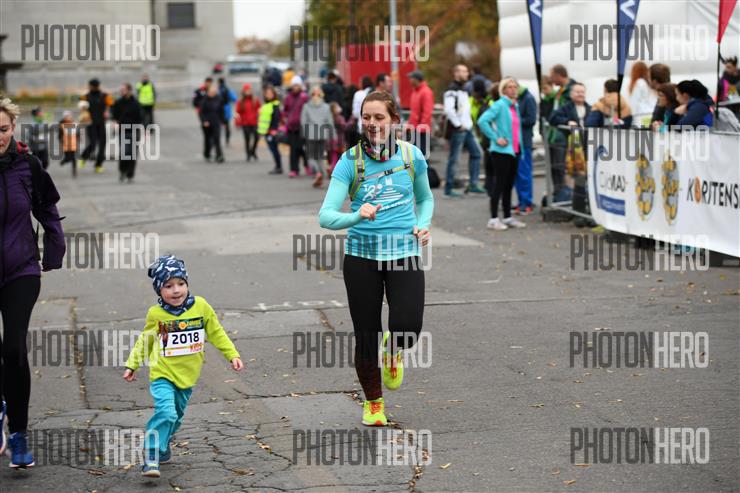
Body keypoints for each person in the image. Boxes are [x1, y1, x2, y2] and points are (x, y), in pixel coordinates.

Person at [318, 90, 433, 427]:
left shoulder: (412, 156)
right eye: (366, 117)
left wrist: (424, 224)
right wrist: (357, 215)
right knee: (366, 334)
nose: (371, 123)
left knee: (408, 327)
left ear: (394, 120)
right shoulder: (350, 162)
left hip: (404, 253)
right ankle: (373, 403)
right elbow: (326, 216)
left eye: (379, 117)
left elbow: (425, 199)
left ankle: (394, 350)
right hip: (362, 258)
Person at [123, 255, 243, 478]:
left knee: (175, 418)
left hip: (187, 377)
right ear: (159, 290)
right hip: (162, 374)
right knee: (166, 412)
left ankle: (163, 445)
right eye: (168, 286)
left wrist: (232, 354)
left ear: (187, 284)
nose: (176, 290)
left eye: (180, 283)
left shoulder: (201, 307)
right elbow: (145, 340)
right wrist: (133, 364)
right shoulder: (156, 314)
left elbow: (216, 332)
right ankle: (150, 455)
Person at [0, 97, 65, 469]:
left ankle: (20, 435)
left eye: (3, 129)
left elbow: (47, 207)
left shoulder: (29, 166)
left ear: (13, 128)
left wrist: (55, 248)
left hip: (21, 269)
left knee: (13, 349)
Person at [477, 78, 526, 231]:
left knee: (509, 185)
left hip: (515, 150)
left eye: (515, 87)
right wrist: (495, 138)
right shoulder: (499, 105)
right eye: (509, 87)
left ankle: (507, 217)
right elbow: (482, 121)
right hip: (501, 151)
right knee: (499, 184)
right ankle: (493, 219)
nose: (513, 89)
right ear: (503, 90)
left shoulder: (514, 106)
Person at [443, 63, 485, 197]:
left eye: (466, 71)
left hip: (467, 128)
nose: (467, 74)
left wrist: (468, 124)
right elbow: (449, 110)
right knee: (454, 158)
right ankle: (449, 188)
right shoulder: (452, 90)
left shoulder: (464, 89)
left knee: (476, 153)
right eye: (464, 71)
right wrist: (458, 125)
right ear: (456, 73)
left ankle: (473, 184)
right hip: (459, 129)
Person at [548, 83, 591, 195]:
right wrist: (567, 122)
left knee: (584, 170)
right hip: (570, 147)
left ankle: (583, 194)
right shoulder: (566, 107)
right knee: (570, 171)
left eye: (582, 92)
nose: (580, 94)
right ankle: (568, 194)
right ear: (571, 94)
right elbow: (552, 118)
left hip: (586, 145)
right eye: (577, 92)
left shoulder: (590, 108)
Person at [301, 86, 334, 188]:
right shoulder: (326, 107)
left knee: (311, 156)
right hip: (322, 134)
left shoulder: (306, 106)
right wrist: (332, 134)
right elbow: (330, 122)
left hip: (311, 134)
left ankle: (317, 173)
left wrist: (305, 133)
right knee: (320, 156)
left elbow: (303, 122)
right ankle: (322, 172)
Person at [111, 83, 145, 182]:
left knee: (133, 154)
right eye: (121, 90)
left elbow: (141, 117)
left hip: (134, 130)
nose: (121, 91)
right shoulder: (118, 102)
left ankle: (130, 175)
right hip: (122, 130)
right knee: (124, 152)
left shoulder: (136, 103)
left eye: (123, 89)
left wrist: (144, 129)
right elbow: (114, 115)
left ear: (129, 91)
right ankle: (122, 170)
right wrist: (114, 122)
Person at [79, 78, 113, 173]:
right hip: (90, 123)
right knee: (93, 143)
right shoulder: (85, 96)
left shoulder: (105, 96)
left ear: (94, 86)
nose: (89, 87)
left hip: (101, 123)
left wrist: (107, 111)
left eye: (90, 86)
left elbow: (111, 105)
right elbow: (81, 106)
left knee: (102, 144)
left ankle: (98, 165)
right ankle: (83, 157)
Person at [513, 84, 537, 215]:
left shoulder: (528, 98)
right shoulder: (515, 99)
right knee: (517, 173)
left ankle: (527, 202)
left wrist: (514, 121)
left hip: (525, 141)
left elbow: (531, 119)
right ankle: (521, 201)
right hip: (515, 141)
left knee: (524, 172)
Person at [284, 75, 309, 177]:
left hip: (302, 127)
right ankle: (294, 169)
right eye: (294, 85)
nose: (295, 87)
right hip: (291, 127)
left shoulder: (304, 97)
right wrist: (286, 118)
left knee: (302, 148)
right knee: (293, 149)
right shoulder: (288, 97)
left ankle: (307, 165)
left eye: (297, 85)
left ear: (300, 86)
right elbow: (285, 110)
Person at [406, 70, 434, 159]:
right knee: (415, 156)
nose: (409, 80)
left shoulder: (426, 92)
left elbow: (427, 112)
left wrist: (421, 128)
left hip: (422, 131)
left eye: (411, 78)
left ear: (416, 79)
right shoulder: (415, 91)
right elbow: (414, 112)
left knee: (422, 157)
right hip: (415, 129)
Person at [258, 85, 283, 174]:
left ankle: (279, 167)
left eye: (270, 93)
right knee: (273, 149)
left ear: (274, 94)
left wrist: (274, 130)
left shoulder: (275, 105)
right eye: (267, 93)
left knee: (274, 149)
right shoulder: (266, 105)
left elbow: (276, 118)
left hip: (272, 132)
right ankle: (277, 166)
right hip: (266, 131)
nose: (268, 95)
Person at [199, 85, 225, 163]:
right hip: (207, 122)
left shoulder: (219, 99)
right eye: (211, 92)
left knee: (217, 139)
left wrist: (223, 121)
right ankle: (207, 153)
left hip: (216, 121)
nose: (212, 93)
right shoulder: (204, 100)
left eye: (214, 92)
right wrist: (204, 121)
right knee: (208, 139)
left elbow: (221, 111)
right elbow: (201, 112)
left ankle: (219, 155)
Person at [235, 83, 260, 162]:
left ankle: (253, 151)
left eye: (249, 90)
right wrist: (238, 122)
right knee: (247, 139)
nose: (248, 92)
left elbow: (259, 109)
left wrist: (259, 117)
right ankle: (248, 154)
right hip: (245, 123)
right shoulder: (240, 101)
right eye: (246, 90)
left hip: (254, 122)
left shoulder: (255, 100)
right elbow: (237, 112)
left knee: (256, 137)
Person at [327, 102, 347, 174]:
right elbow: (344, 127)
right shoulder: (340, 118)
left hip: (331, 140)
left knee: (333, 156)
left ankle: (332, 168)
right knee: (339, 157)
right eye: (337, 107)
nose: (339, 108)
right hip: (339, 141)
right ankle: (333, 169)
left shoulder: (329, 118)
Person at [218, 78, 237, 146]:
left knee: (218, 126)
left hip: (218, 109)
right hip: (226, 109)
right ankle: (227, 140)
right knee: (227, 126)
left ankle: (217, 140)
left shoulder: (218, 89)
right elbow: (234, 98)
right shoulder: (228, 89)